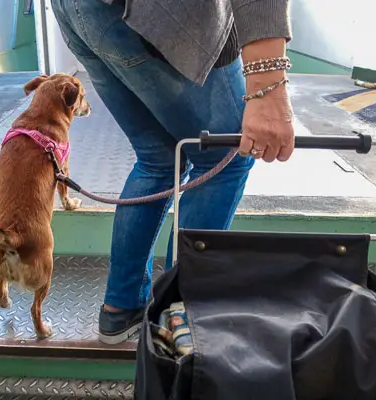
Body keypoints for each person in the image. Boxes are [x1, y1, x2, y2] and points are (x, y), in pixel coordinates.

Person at [51, 0, 295, 344]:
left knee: (157, 160)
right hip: (159, 14)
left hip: (80, 13)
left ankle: (121, 308)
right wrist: (268, 88)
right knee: (225, 159)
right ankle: (180, 312)